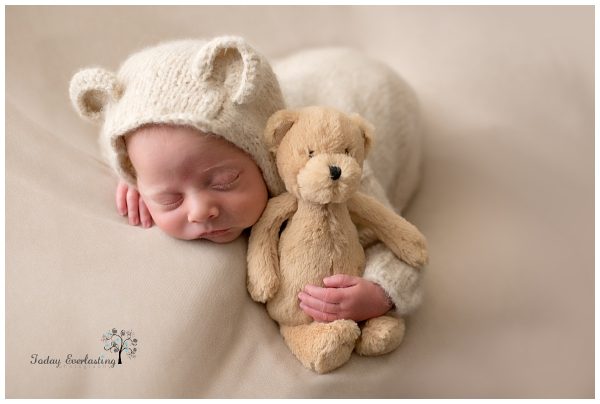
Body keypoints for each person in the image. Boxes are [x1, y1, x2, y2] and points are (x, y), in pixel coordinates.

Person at [69, 36, 423, 325]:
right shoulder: (155, 157)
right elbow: (131, 137)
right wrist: (134, 178)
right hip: (299, 71)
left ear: (263, 158)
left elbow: (401, 244)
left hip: (371, 89)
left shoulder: (323, 178)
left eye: (223, 181)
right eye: (170, 199)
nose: (200, 211)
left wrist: (381, 293)